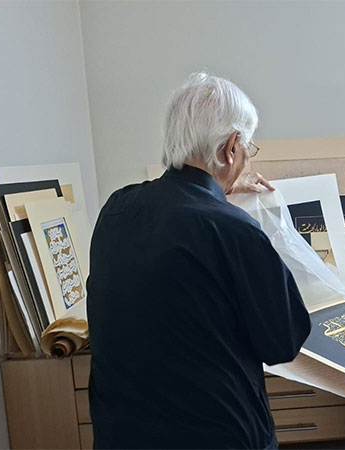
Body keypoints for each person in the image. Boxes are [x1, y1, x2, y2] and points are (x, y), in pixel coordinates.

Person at [87, 72, 311, 449]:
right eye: (247, 150)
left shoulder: (116, 210)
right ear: (231, 147)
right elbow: (283, 343)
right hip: (217, 434)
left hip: (123, 434)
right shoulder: (234, 230)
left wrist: (221, 190)